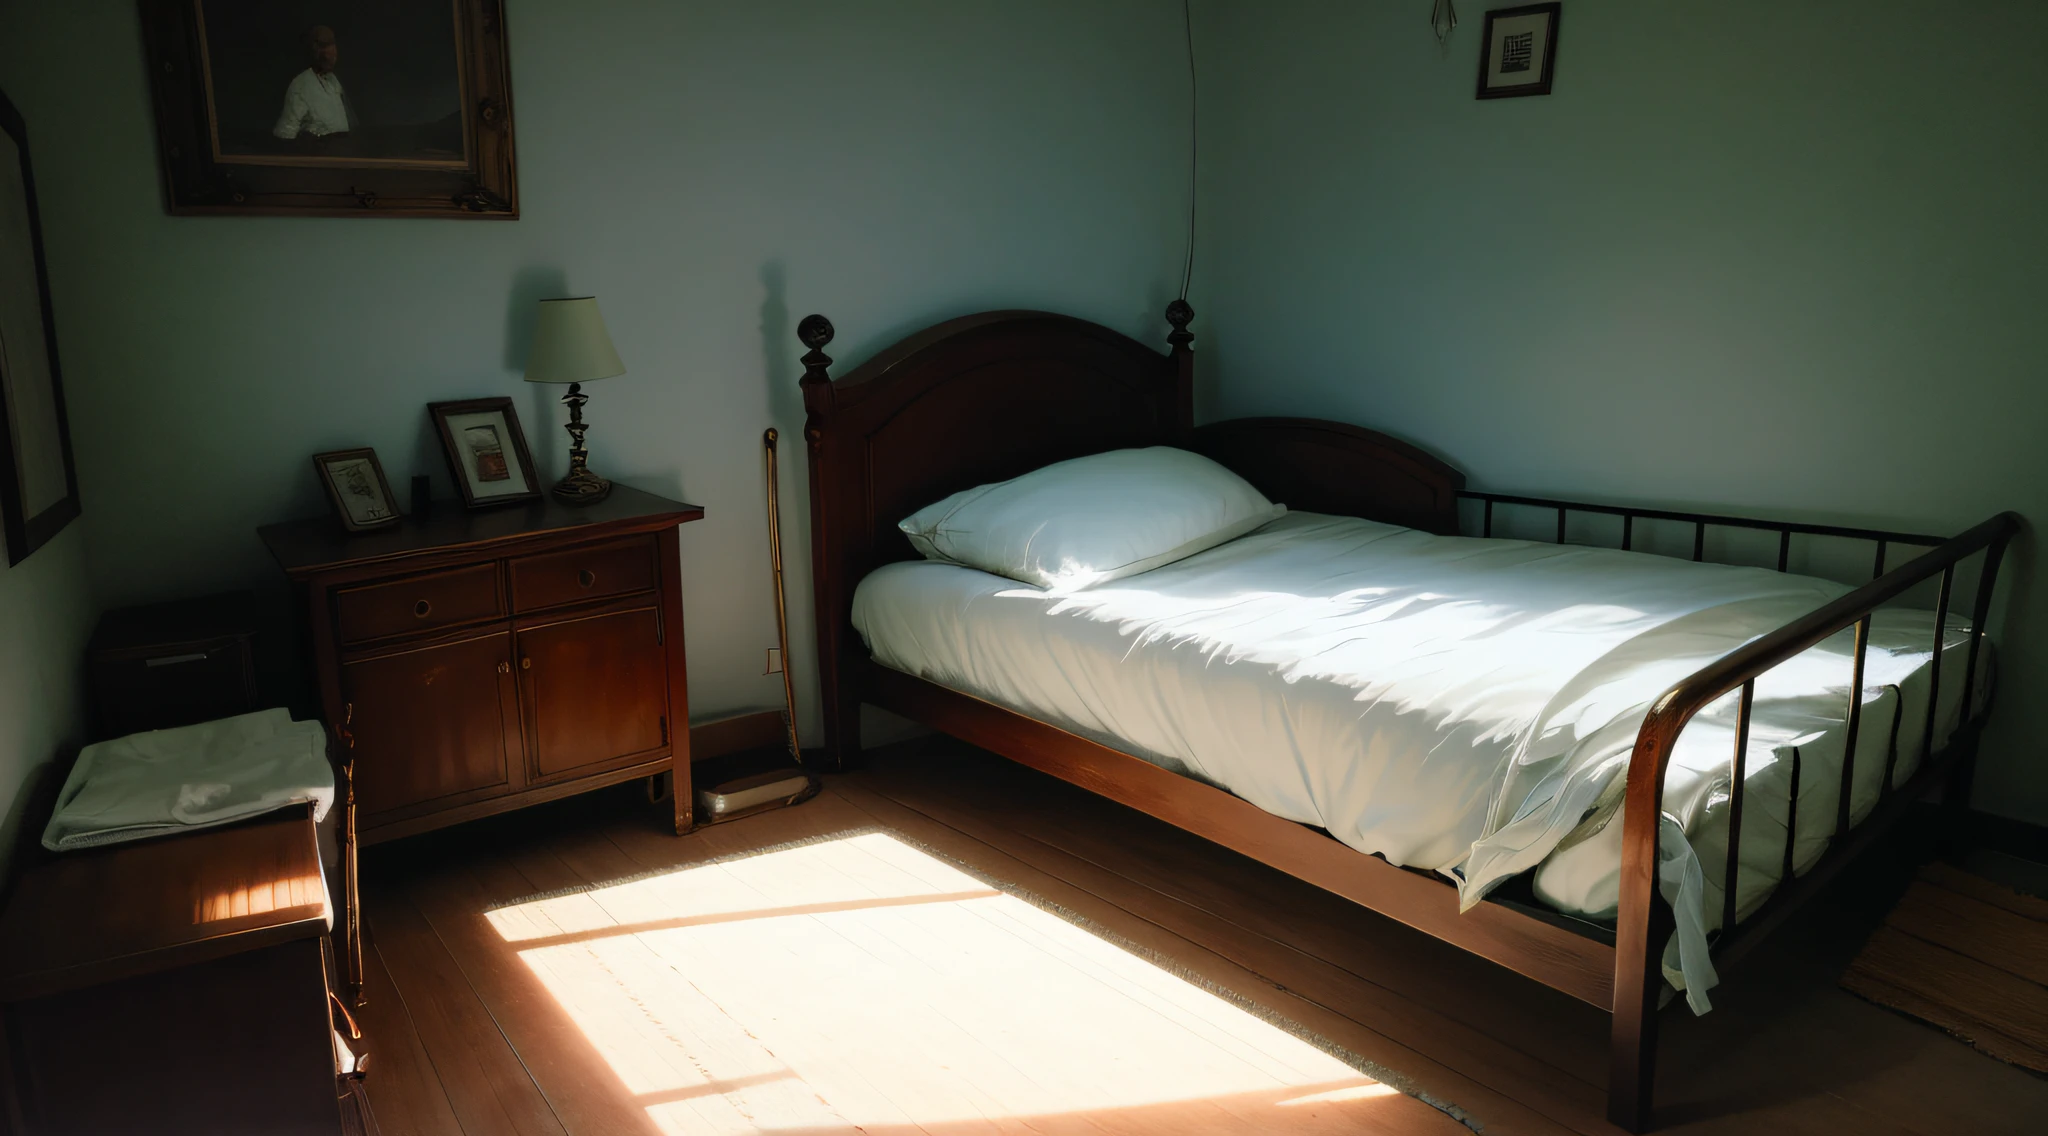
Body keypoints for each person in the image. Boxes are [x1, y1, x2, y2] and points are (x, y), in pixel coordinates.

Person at [272, 26, 351, 140]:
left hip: (341, 153)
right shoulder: (301, 86)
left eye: (332, 45)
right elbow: (285, 134)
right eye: (324, 46)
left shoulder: (333, 82)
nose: (332, 53)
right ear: (313, 50)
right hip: (317, 154)